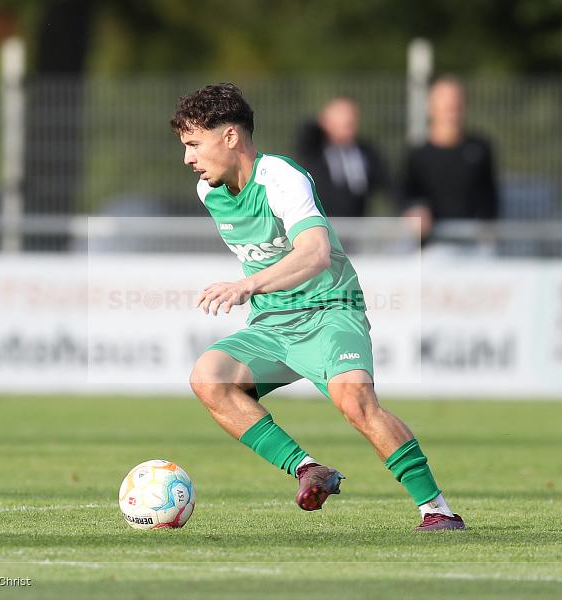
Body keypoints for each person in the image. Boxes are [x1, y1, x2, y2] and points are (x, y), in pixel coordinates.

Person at [170, 83, 464, 530]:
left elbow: (315, 253)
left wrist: (247, 285)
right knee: (208, 378)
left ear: (229, 136)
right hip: (273, 323)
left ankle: (437, 511)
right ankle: (309, 470)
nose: (188, 158)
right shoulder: (208, 192)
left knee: (356, 402)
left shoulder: (281, 178)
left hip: (329, 310)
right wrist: (257, 292)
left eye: (194, 144)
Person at [397, 77, 499, 250]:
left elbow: (490, 196)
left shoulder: (480, 149)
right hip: (430, 250)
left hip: (474, 246)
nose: (451, 111)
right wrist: (414, 212)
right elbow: (405, 197)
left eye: (455, 104)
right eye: (445, 106)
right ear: (431, 108)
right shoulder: (417, 155)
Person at [295, 97, 387, 218]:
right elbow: (305, 132)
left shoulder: (365, 151)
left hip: (357, 220)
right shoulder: (315, 150)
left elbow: (385, 182)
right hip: (323, 220)